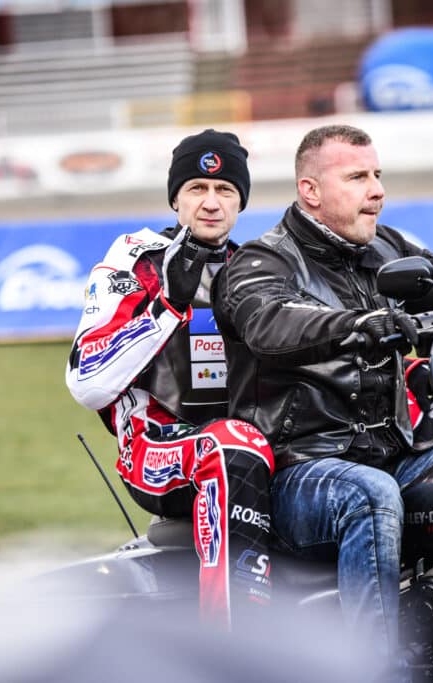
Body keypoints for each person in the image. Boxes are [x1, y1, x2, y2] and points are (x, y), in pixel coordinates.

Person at [213, 124, 433, 667]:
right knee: (368, 495)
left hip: (396, 456)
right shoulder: (261, 261)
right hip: (298, 472)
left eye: (378, 175)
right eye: (358, 177)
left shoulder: (388, 247)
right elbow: (270, 321)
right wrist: (357, 324)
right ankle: (374, 667)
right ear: (311, 191)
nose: (377, 190)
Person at [65, 129, 274, 631]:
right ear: (175, 199)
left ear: (241, 202)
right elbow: (86, 381)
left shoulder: (256, 267)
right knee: (232, 448)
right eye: (197, 188)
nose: (211, 202)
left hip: (243, 437)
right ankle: (232, 643)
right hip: (153, 448)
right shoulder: (135, 260)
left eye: (225, 190)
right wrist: (166, 307)